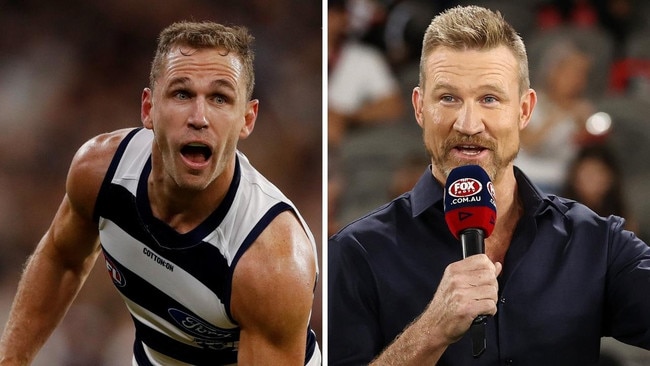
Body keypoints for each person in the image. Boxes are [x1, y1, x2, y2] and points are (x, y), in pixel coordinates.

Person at [328, 5, 650, 366]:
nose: (468, 123)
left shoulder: (595, 243)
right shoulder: (356, 253)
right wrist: (429, 333)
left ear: (524, 111)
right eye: (448, 98)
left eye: (490, 99)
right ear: (419, 108)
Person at [0, 21, 320, 365]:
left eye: (219, 98)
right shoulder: (99, 171)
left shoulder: (272, 262)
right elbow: (61, 261)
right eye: (182, 94)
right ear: (148, 108)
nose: (199, 117)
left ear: (247, 118)